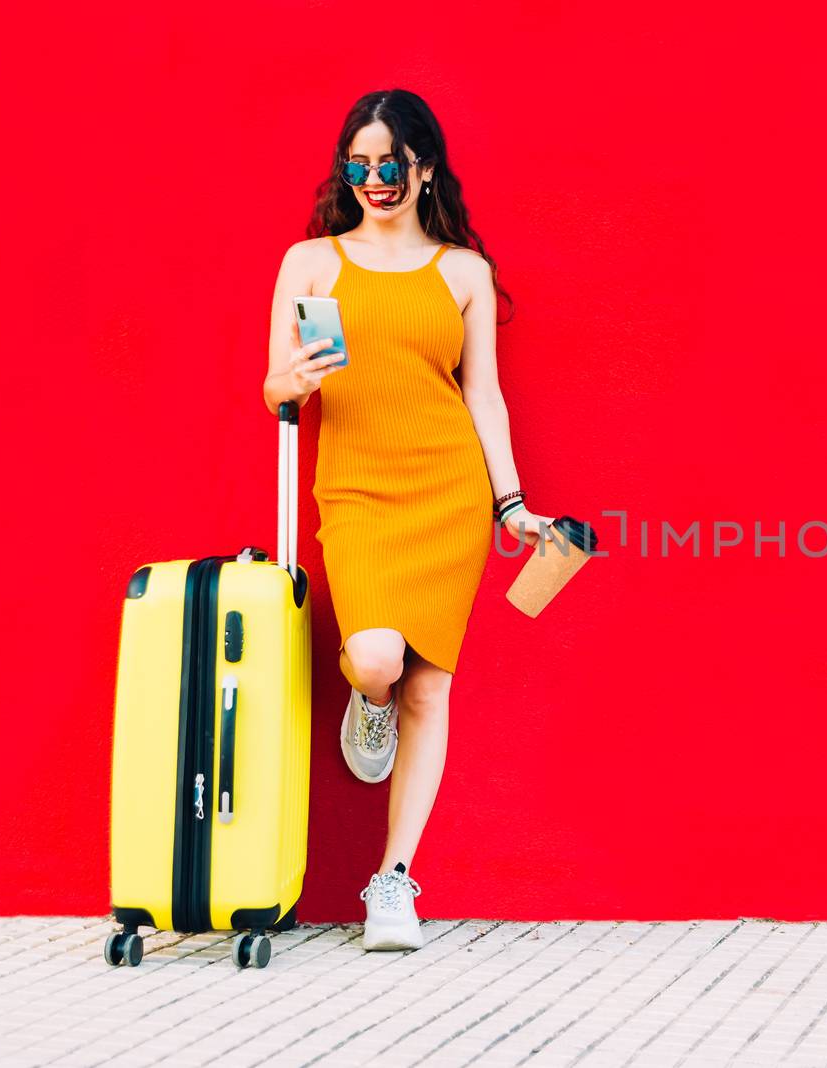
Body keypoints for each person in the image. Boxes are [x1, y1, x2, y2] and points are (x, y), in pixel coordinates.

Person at [262, 89, 554, 951]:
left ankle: (392, 882)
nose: (375, 180)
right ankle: (368, 698)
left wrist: (512, 501)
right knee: (378, 656)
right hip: (355, 489)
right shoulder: (312, 261)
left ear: (425, 166)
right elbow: (274, 386)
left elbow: (484, 396)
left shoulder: (463, 271)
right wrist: (294, 384)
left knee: (433, 685)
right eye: (359, 165)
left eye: (391, 164)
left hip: (449, 492)